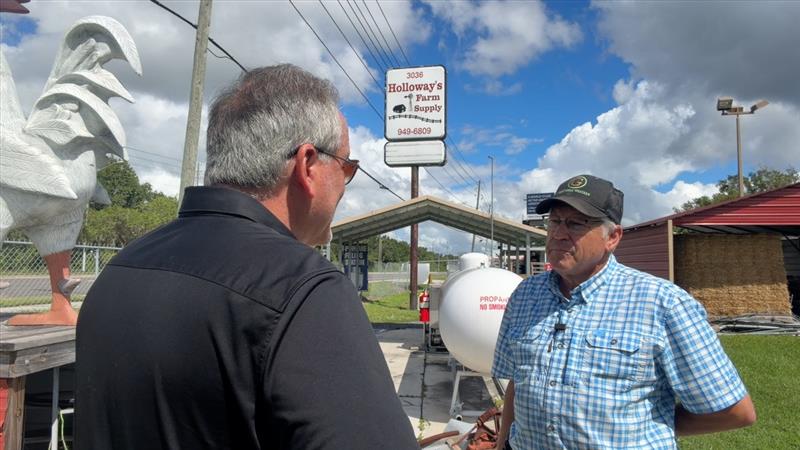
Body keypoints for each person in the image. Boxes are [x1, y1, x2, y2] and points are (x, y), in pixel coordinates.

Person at [75, 64, 418, 449]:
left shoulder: (119, 270)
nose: (345, 185)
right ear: (307, 164)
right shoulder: (304, 288)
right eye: (346, 166)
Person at [492, 174, 756, 449]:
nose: (558, 234)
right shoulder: (525, 295)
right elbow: (517, 382)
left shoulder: (663, 303)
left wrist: (651, 425)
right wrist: (502, 444)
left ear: (613, 237)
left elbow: (734, 412)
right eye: (555, 221)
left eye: (576, 223)